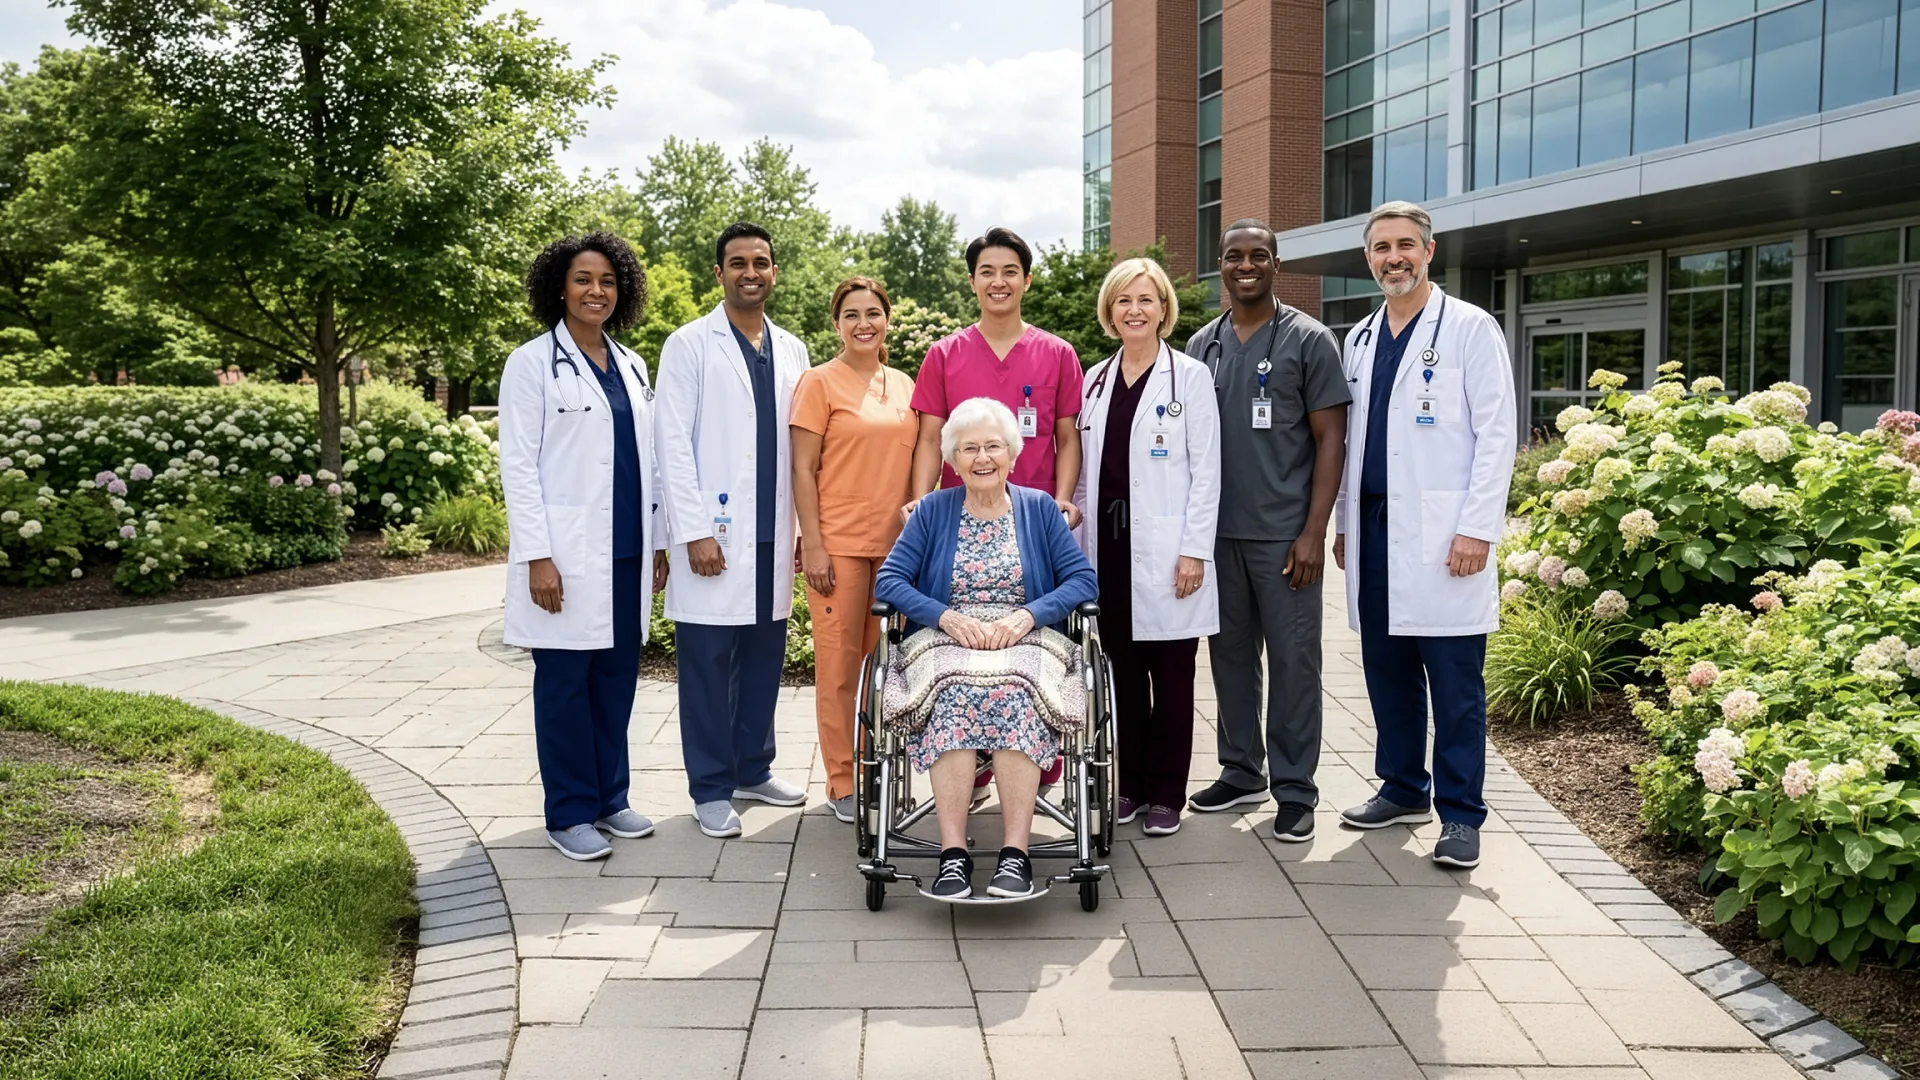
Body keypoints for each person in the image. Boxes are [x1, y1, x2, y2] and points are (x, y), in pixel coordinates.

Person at [1333, 201, 1515, 870]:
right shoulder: (1358, 338)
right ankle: (1404, 786)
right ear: (1369, 258)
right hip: (1375, 524)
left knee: (1455, 684)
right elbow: (1352, 444)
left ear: (1429, 251)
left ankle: (1462, 815)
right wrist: (1345, 525)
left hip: (1445, 534)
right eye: (1381, 248)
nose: (1393, 257)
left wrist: (1476, 529)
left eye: (1405, 244)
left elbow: (1498, 433)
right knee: (1387, 670)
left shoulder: (1469, 328)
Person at [875, 397, 1098, 899]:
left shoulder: (1040, 509)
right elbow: (889, 581)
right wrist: (944, 616)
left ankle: (1014, 855)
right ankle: (952, 855)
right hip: (947, 637)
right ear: (952, 459)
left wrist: (1028, 615)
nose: (981, 458)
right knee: (951, 694)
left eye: (993, 446)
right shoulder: (932, 510)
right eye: (969, 448)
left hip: (1027, 637)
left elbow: (1083, 580)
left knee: (1015, 693)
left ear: (1012, 454)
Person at [498, 232, 669, 861]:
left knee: (616, 679)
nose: (595, 291)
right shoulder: (531, 363)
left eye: (607, 281)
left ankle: (610, 799)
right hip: (566, 554)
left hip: (628, 548)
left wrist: (660, 540)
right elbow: (518, 467)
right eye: (582, 280)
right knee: (566, 682)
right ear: (558, 287)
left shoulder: (630, 363)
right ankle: (568, 811)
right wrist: (537, 555)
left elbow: (648, 460)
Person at [1181, 219, 1350, 842]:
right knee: (1227, 659)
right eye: (1233, 256)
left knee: (1294, 662)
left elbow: (1331, 439)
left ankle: (1296, 789)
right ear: (1218, 266)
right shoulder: (1203, 345)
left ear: (1276, 263)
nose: (1244, 265)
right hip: (1217, 536)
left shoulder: (1310, 340)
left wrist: (1314, 531)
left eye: (1257, 255)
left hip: (1284, 538)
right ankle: (1240, 769)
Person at [904, 226, 1086, 803]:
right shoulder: (945, 355)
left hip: (1034, 529)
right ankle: (972, 761)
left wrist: (1063, 498)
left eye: (1010, 271)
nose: (999, 281)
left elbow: (1066, 435)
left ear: (1026, 280)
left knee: (1033, 641)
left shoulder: (1056, 353)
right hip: (961, 522)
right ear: (973, 281)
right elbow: (930, 437)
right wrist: (919, 504)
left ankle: (1027, 755)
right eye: (987, 272)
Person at [655, 221, 811, 839]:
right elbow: (671, 442)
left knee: (763, 659)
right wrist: (691, 530)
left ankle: (753, 767)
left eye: (762, 262)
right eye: (738, 262)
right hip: (712, 531)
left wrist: (803, 529)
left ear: (774, 272)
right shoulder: (689, 344)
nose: (752, 272)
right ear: (718, 273)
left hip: (773, 529)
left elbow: (802, 448)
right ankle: (711, 787)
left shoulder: (793, 349)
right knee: (706, 663)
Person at [1072, 258, 1220, 837]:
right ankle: (1129, 785)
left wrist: (1194, 551)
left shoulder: (1190, 378)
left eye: (1146, 300)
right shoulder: (1095, 380)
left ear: (1164, 309)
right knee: (1122, 677)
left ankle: (1166, 793)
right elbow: (1085, 473)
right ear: (1110, 312)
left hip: (1166, 551)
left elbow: (1208, 473)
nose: (1134, 310)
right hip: (1106, 549)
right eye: (1123, 301)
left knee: (1173, 676)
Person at [790, 276, 917, 825]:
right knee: (839, 669)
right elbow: (801, 468)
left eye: (873, 312)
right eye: (851, 314)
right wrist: (812, 545)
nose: (864, 323)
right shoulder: (818, 383)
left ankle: (878, 771)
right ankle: (843, 780)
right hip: (839, 546)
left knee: (885, 669)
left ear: (886, 319)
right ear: (836, 323)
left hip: (896, 549)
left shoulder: (907, 385)